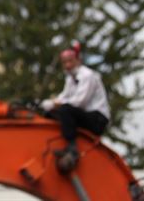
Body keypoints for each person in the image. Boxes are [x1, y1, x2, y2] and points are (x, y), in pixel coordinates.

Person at [41, 42, 110, 172]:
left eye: (70, 61)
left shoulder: (87, 76)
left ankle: (72, 148)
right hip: (82, 115)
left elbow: (79, 102)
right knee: (50, 113)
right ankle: (57, 143)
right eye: (64, 62)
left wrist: (56, 104)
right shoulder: (70, 78)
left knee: (65, 110)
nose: (67, 65)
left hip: (97, 119)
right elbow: (64, 97)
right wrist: (49, 105)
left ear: (78, 60)